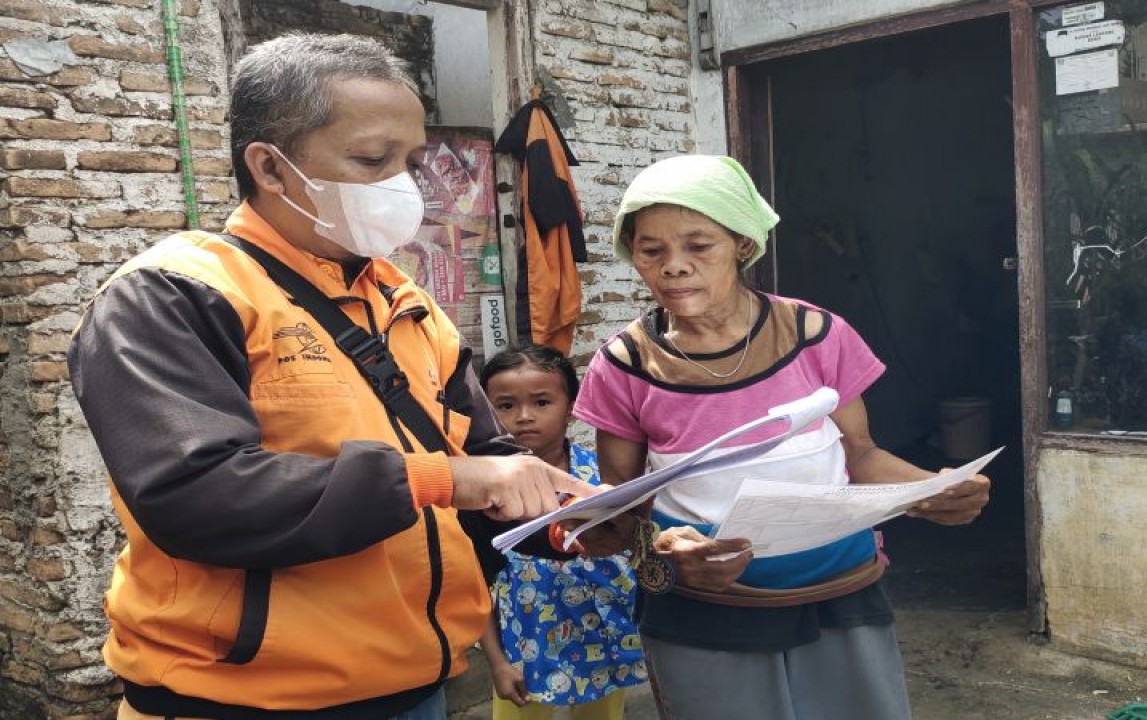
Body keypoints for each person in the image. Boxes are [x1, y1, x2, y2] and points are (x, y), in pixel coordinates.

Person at [67, 34, 597, 720]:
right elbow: (194, 496)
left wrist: (584, 520)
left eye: (411, 162)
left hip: (417, 688)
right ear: (272, 167)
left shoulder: (407, 303)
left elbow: (486, 464)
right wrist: (441, 479)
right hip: (240, 700)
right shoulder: (176, 294)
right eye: (373, 160)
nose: (405, 186)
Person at [571, 155, 992, 720]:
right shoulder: (624, 364)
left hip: (842, 593)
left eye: (699, 246)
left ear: (743, 244)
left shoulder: (814, 334)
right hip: (705, 607)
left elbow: (860, 455)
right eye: (651, 250)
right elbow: (618, 512)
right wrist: (668, 550)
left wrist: (933, 489)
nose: (674, 266)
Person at [477, 346, 646, 720]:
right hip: (523, 652)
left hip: (603, 646)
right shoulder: (483, 493)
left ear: (570, 407)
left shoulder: (601, 482)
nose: (524, 417)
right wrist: (496, 663)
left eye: (541, 402)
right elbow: (471, 583)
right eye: (505, 406)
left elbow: (634, 552)